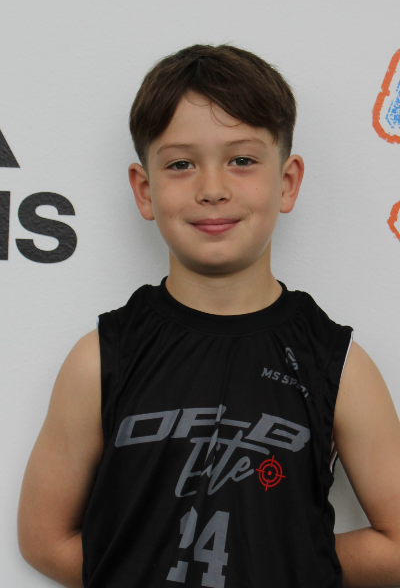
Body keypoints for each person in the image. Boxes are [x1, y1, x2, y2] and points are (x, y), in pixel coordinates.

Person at [17, 43, 400, 588]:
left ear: (287, 181)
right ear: (144, 189)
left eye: (242, 160)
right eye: (181, 164)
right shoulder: (100, 358)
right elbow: (44, 538)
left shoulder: (338, 364)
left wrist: (280, 561)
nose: (212, 189)